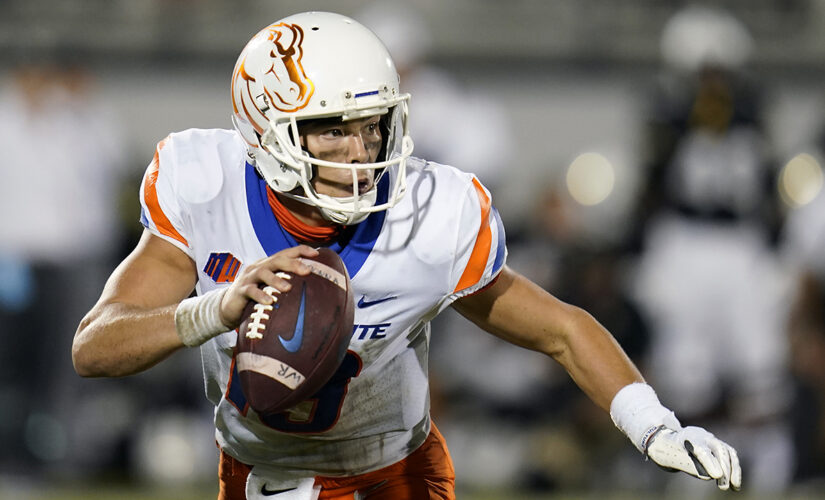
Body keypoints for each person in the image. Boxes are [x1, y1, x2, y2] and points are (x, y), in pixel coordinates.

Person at [72, 11, 741, 499]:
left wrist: (653, 426)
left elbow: (560, 330)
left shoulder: (427, 214)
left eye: (369, 126)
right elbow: (94, 348)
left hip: (394, 475)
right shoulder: (205, 186)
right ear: (263, 133)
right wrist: (213, 310)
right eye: (330, 129)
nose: (359, 152)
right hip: (261, 473)